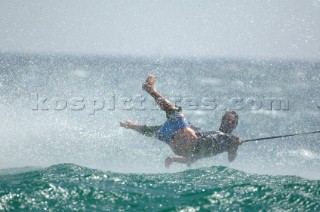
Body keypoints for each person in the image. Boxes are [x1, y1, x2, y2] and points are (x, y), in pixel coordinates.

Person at [120, 75, 242, 167]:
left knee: (174, 111)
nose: (228, 123)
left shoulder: (229, 141)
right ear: (222, 120)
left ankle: (150, 90)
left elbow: (231, 158)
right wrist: (174, 159)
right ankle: (130, 125)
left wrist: (235, 145)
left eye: (231, 122)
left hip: (185, 140)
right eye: (226, 120)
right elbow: (192, 159)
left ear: (235, 125)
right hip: (176, 141)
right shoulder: (219, 137)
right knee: (152, 131)